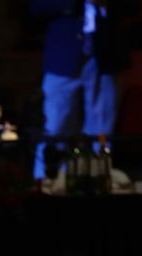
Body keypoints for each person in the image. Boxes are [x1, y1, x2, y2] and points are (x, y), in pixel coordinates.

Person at [30, 1, 134, 180]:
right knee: (56, 125)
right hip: (63, 55)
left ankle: (99, 180)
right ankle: (45, 183)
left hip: (105, 55)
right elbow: (38, 6)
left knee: (102, 129)